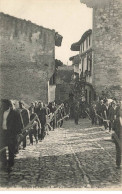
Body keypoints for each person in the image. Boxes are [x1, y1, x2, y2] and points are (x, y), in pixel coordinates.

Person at [0, 99, 22, 171]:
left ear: (8, 105)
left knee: (11, 149)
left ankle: (10, 165)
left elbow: (20, 124)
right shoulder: (1, 112)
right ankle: (4, 163)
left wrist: (18, 133)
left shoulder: (15, 113)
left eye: (3, 105)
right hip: (2, 133)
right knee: (2, 149)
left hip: (11, 134)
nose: (1, 106)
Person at [112, 102, 122, 169]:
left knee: (119, 151)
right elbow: (113, 128)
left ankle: (118, 164)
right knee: (118, 151)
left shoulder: (116, 120)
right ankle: (118, 164)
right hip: (118, 137)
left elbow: (113, 128)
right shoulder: (116, 120)